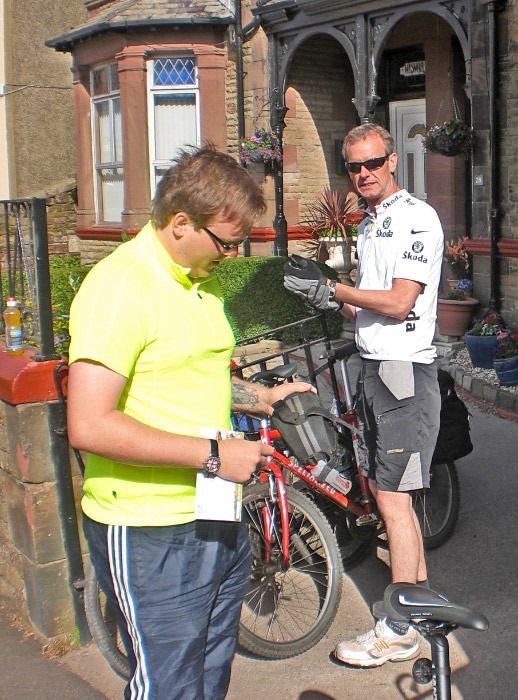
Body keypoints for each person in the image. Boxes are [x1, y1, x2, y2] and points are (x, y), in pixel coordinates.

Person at [67, 145, 314, 699]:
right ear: (180, 223)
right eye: (226, 242)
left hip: (215, 519)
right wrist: (212, 454)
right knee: (168, 689)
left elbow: (188, 375)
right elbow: (89, 423)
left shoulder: (193, 279)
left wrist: (261, 397)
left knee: (207, 679)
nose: (231, 254)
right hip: (151, 532)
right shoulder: (120, 287)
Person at [283, 123, 444, 668]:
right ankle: (416, 602)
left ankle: (398, 630)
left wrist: (335, 287)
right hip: (375, 367)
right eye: (353, 167)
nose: (364, 174)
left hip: (404, 372)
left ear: (393, 160)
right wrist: (328, 297)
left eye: (372, 162)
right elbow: (364, 307)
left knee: (395, 502)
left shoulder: (415, 218)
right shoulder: (372, 225)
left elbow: (399, 303)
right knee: (385, 493)